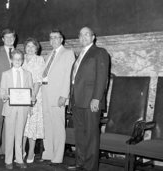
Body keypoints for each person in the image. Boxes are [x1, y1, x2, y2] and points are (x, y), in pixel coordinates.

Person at [67, 27, 110, 171]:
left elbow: (102, 77)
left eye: (87, 34)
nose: (83, 37)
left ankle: (90, 167)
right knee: (79, 134)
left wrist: (97, 99)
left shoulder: (100, 52)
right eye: (81, 35)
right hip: (77, 101)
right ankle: (80, 163)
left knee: (91, 136)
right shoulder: (80, 55)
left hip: (91, 101)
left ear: (93, 37)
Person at [41, 29, 75, 165]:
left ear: (62, 39)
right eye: (51, 38)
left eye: (56, 37)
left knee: (58, 126)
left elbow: (69, 76)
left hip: (58, 96)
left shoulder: (68, 53)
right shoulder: (49, 54)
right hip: (45, 94)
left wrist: (64, 95)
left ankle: (58, 156)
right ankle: (48, 152)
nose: (53, 40)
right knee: (47, 126)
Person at [0, 49, 34, 169]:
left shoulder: (28, 74)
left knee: (20, 134)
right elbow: (1, 91)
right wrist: (5, 96)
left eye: (20, 59)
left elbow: (30, 91)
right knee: (9, 134)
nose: (17, 61)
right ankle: (8, 160)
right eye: (15, 59)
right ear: (11, 60)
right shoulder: (6, 74)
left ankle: (19, 159)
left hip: (23, 109)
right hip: (10, 107)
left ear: (22, 60)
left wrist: (30, 105)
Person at [0, 29, 16, 159]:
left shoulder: (18, 53)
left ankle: (6, 149)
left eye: (12, 37)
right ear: (3, 39)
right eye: (7, 37)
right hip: (0, 93)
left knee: (9, 123)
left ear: (14, 38)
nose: (10, 39)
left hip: (14, 95)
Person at [22, 38, 45, 163]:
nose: (30, 48)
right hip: (20, 96)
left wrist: (33, 97)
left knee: (32, 125)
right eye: (28, 46)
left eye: (33, 46)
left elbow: (38, 80)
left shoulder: (39, 60)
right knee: (22, 124)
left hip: (34, 95)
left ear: (37, 48)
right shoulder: (21, 58)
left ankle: (31, 151)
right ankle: (21, 150)